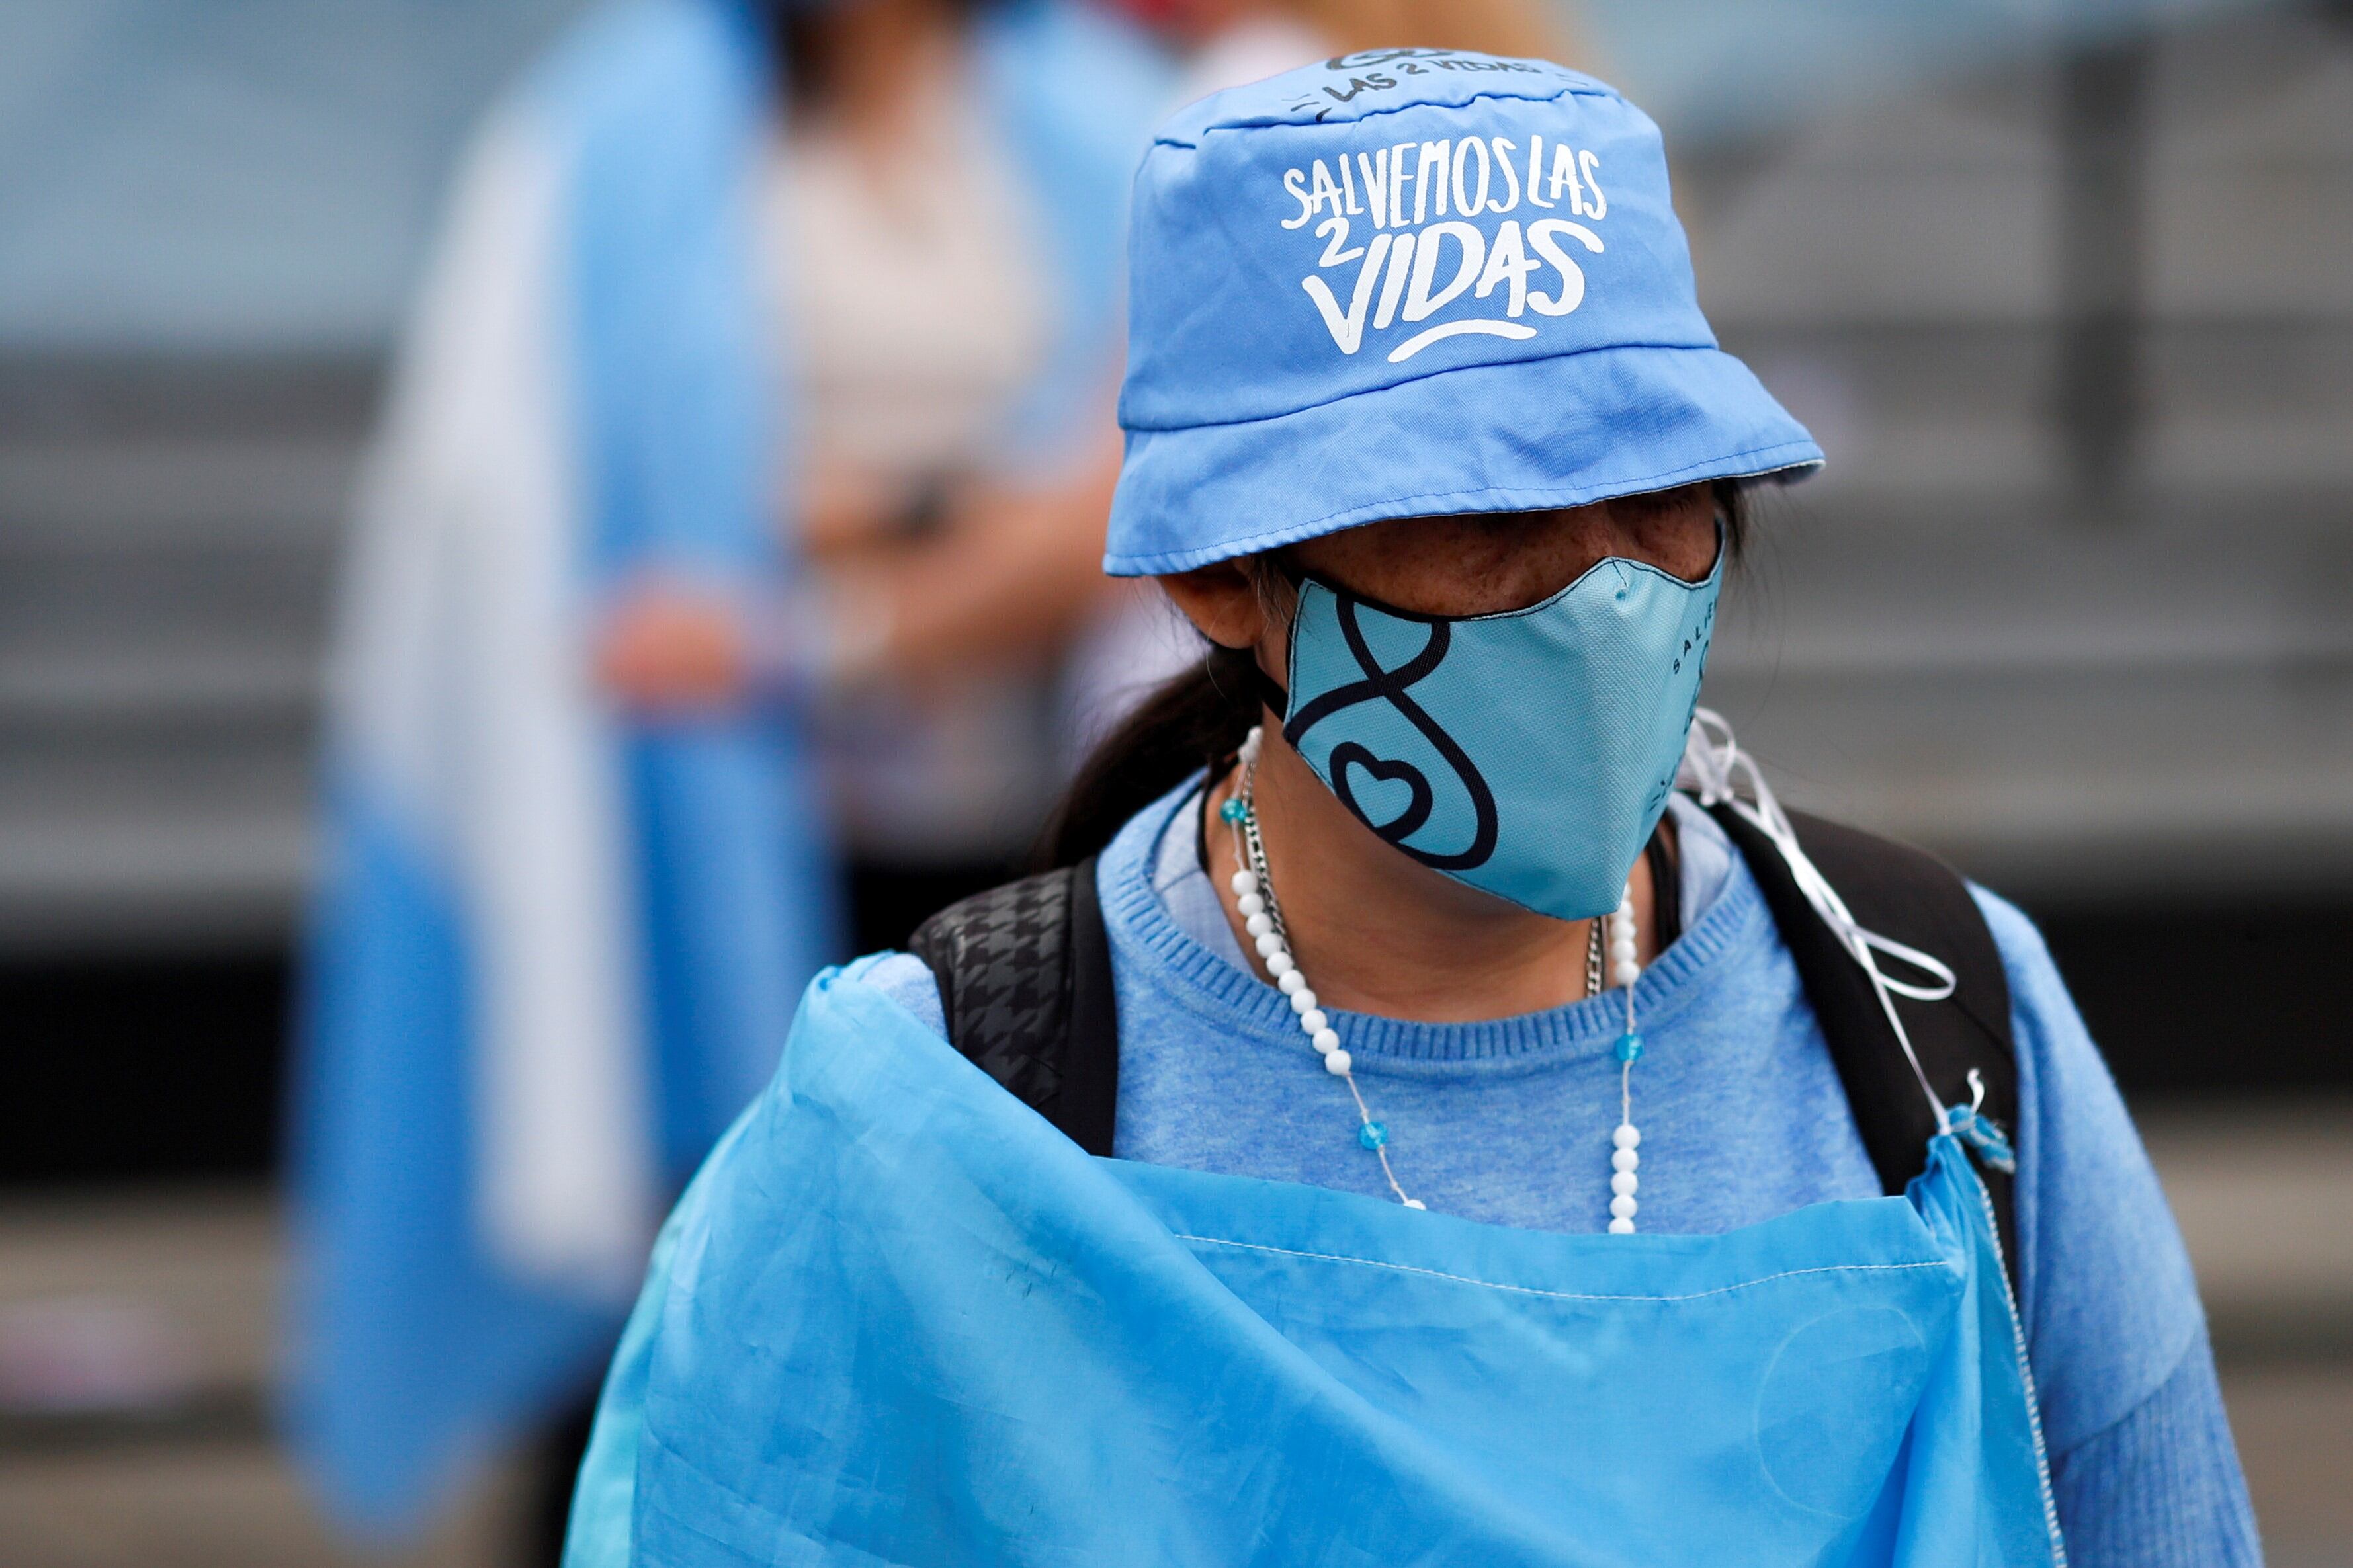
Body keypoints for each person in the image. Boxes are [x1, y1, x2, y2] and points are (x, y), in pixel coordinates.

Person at [562, 52, 2260, 1567]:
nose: (1599, 597)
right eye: (1483, 514)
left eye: (1659, 495)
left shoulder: (1951, 1029)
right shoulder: (937, 1115)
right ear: (1227, 573)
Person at [595, 0, 1174, 956]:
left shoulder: (1089, 123)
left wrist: (797, 629)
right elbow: (668, 477)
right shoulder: (673, 135)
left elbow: (1105, 513)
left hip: (1025, 771)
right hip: (761, 803)